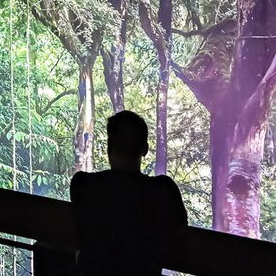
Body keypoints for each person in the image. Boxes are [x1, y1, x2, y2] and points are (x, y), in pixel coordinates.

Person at [69, 111, 187, 276]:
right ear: (145, 149)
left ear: (109, 147)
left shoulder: (83, 185)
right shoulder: (163, 191)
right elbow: (178, 234)